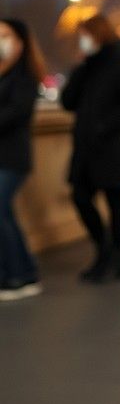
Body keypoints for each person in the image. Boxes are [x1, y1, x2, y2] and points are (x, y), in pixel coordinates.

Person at [61, 13, 120, 283]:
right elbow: (67, 102)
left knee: (114, 201)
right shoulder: (86, 67)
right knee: (80, 197)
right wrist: (80, 70)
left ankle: (115, 257)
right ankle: (104, 249)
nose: (81, 41)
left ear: (99, 35)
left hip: (111, 146)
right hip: (86, 147)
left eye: (85, 35)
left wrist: (105, 126)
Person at [0, 17, 44, 301]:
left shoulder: (25, 75)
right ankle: (24, 271)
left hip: (13, 156)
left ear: (20, 40)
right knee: (5, 214)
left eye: (4, 35)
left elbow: (16, 113)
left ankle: (17, 274)